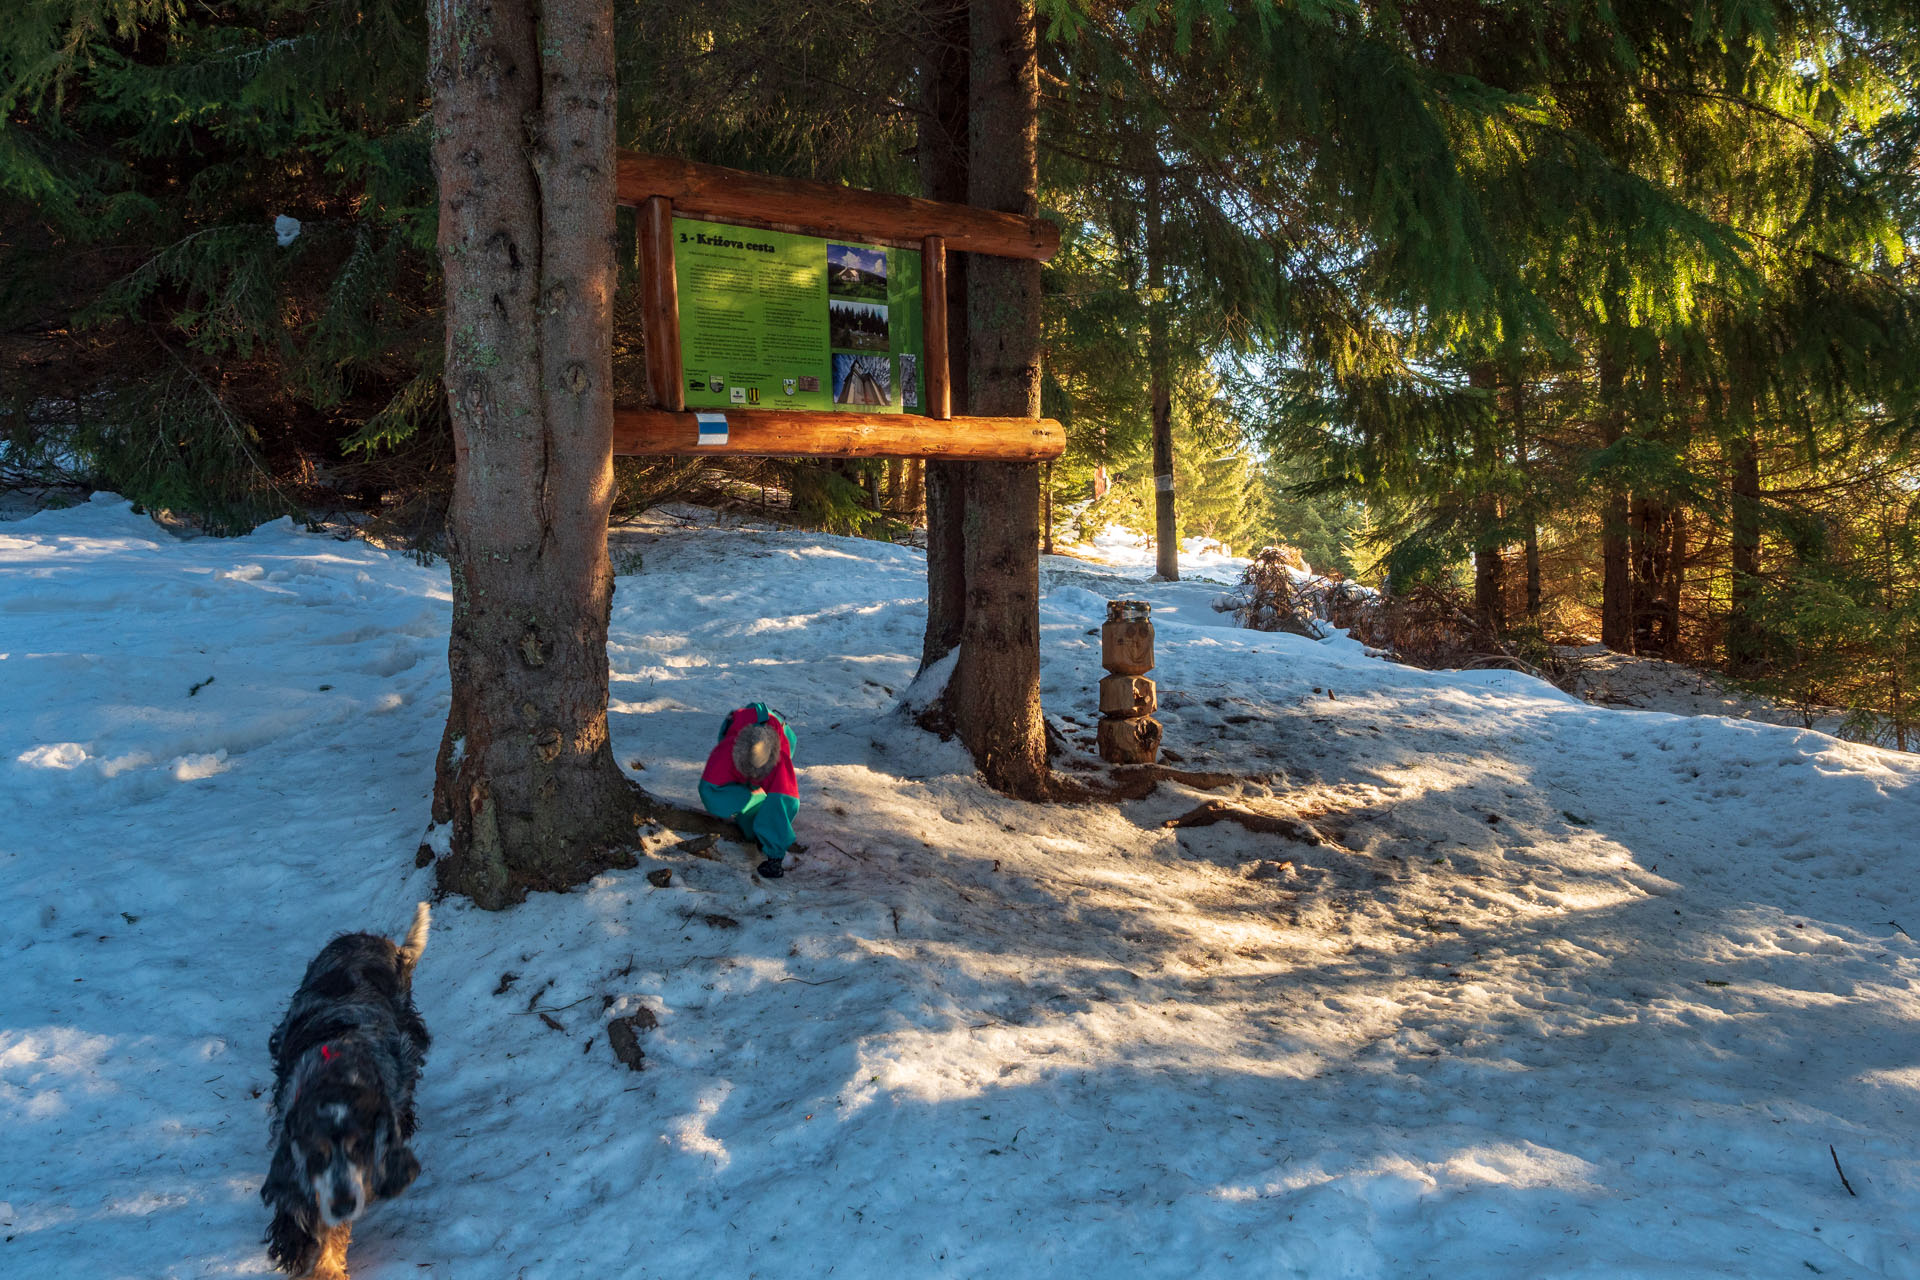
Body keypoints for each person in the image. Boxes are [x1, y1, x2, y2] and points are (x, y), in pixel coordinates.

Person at [699, 703, 799, 878]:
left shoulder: (779, 758)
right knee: (744, 810)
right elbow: (709, 792)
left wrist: (775, 855)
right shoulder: (725, 753)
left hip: (778, 733)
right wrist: (744, 798)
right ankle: (751, 801)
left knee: (776, 800)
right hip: (738, 728)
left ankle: (760, 814)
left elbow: (786, 801)